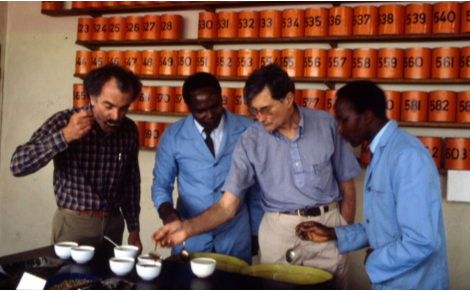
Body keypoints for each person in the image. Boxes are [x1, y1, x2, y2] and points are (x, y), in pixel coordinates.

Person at [152, 65, 362, 289]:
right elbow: (226, 206)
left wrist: (343, 232)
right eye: (254, 111)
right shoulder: (250, 139)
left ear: (288, 99)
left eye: (266, 109)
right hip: (279, 233)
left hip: (328, 230)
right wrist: (186, 229)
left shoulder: (326, 124)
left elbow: (347, 187)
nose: (260, 118)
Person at [296, 81, 450, 290]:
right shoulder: (379, 152)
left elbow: (421, 241)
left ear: (367, 117)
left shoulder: (407, 156)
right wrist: (334, 234)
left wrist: (374, 261)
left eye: (344, 120)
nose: (339, 129)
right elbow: (382, 226)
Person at [10, 65, 143, 256]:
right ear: (92, 98)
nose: (116, 116)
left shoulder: (129, 130)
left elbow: (131, 183)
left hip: (114, 225)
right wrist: (65, 136)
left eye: (123, 108)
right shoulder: (64, 121)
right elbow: (17, 165)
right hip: (74, 225)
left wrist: (134, 229)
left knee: (110, 284)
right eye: (109, 106)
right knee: (67, 282)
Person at [151, 73, 263, 264]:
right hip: (189, 239)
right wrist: (167, 212)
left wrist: (254, 233)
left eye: (215, 106)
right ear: (189, 107)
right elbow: (161, 184)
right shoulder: (172, 136)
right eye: (201, 111)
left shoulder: (248, 130)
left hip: (234, 237)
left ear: (222, 98)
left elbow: (255, 190)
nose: (210, 115)